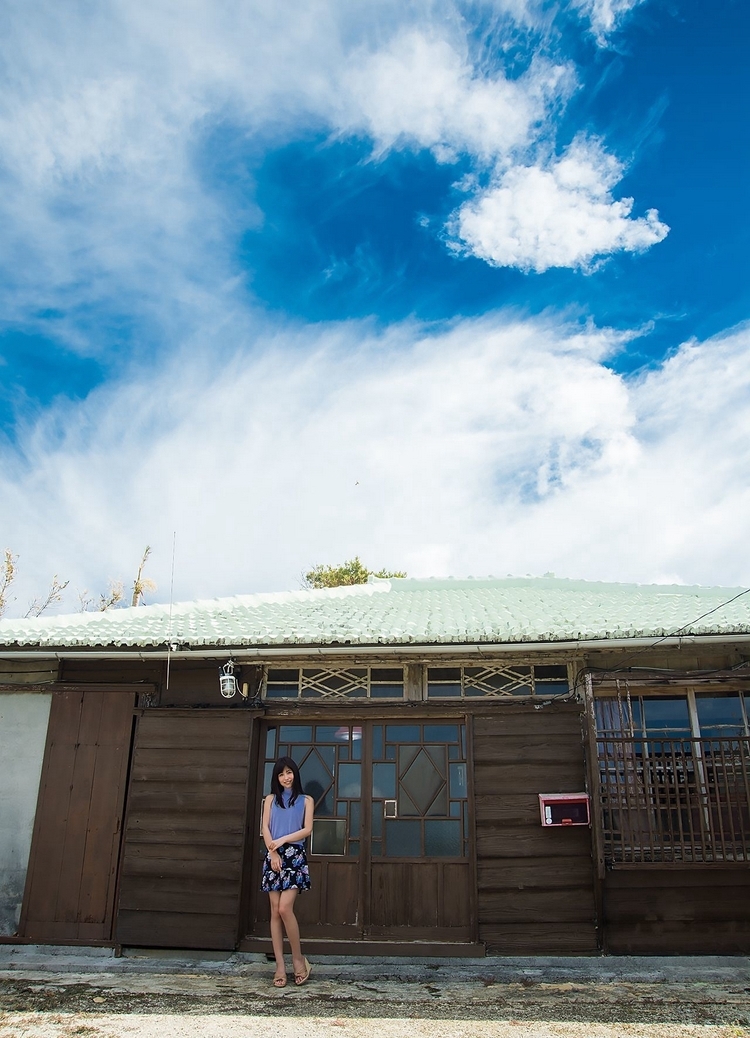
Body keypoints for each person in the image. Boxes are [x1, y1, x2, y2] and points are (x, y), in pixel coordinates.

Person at [261, 756, 314, 988]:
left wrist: (283, 840)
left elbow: (307, 829)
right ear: (277, 778)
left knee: (285, 908)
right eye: (281, 774)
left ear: (295, 773)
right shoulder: (270, 800)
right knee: (274, 911)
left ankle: (298, 960)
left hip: (294, 856)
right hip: (274, 855)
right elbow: (265, 827)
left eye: (289, 772)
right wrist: (273, 852)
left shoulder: (306, 800)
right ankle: (280, 967)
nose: (286, 777)